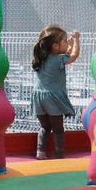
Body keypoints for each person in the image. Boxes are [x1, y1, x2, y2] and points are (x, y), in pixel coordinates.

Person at [32, 25, 82, 160]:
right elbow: (73, 56)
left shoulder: (42, 58)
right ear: (55, 46)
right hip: (51, 99)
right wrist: (76, 39)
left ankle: (40, 152)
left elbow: (66, 53)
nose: (67, 43)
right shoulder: (58, 59)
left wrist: (69, 44)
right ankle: (59, 154)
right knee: (58, 129)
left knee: (45, 127)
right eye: (65, 41)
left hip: (38, 98)